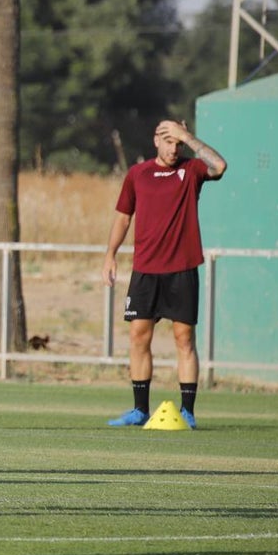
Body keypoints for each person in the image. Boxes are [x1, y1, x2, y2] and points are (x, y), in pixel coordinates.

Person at [103, 119, 227, 429]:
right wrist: (110, 255)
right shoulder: (137, 175)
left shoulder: (192, 170)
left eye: (178, 143)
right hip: (145, 270)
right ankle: (139, 410)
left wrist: (189, 136)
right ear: (156, 140)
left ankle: (187, 411)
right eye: (168, 141)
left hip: (182, 269)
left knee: (184, 339)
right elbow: (122, 217)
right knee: (137, 337)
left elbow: (220, 165)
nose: (174, 149)